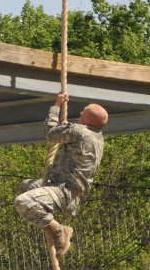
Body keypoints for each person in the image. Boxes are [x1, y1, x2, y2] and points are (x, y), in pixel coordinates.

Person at [14, 93, 108, 259]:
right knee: (27, 185)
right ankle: (49, 219)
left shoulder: (78, 131)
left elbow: (50, 133)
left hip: (63, 191)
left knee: (23, 202)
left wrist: (56, 105)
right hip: (68, 191)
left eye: (83, 113)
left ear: (88, 121)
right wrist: (66, 128)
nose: (80, 113)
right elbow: (73, 137)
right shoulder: (97, 138)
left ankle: (59, 229)